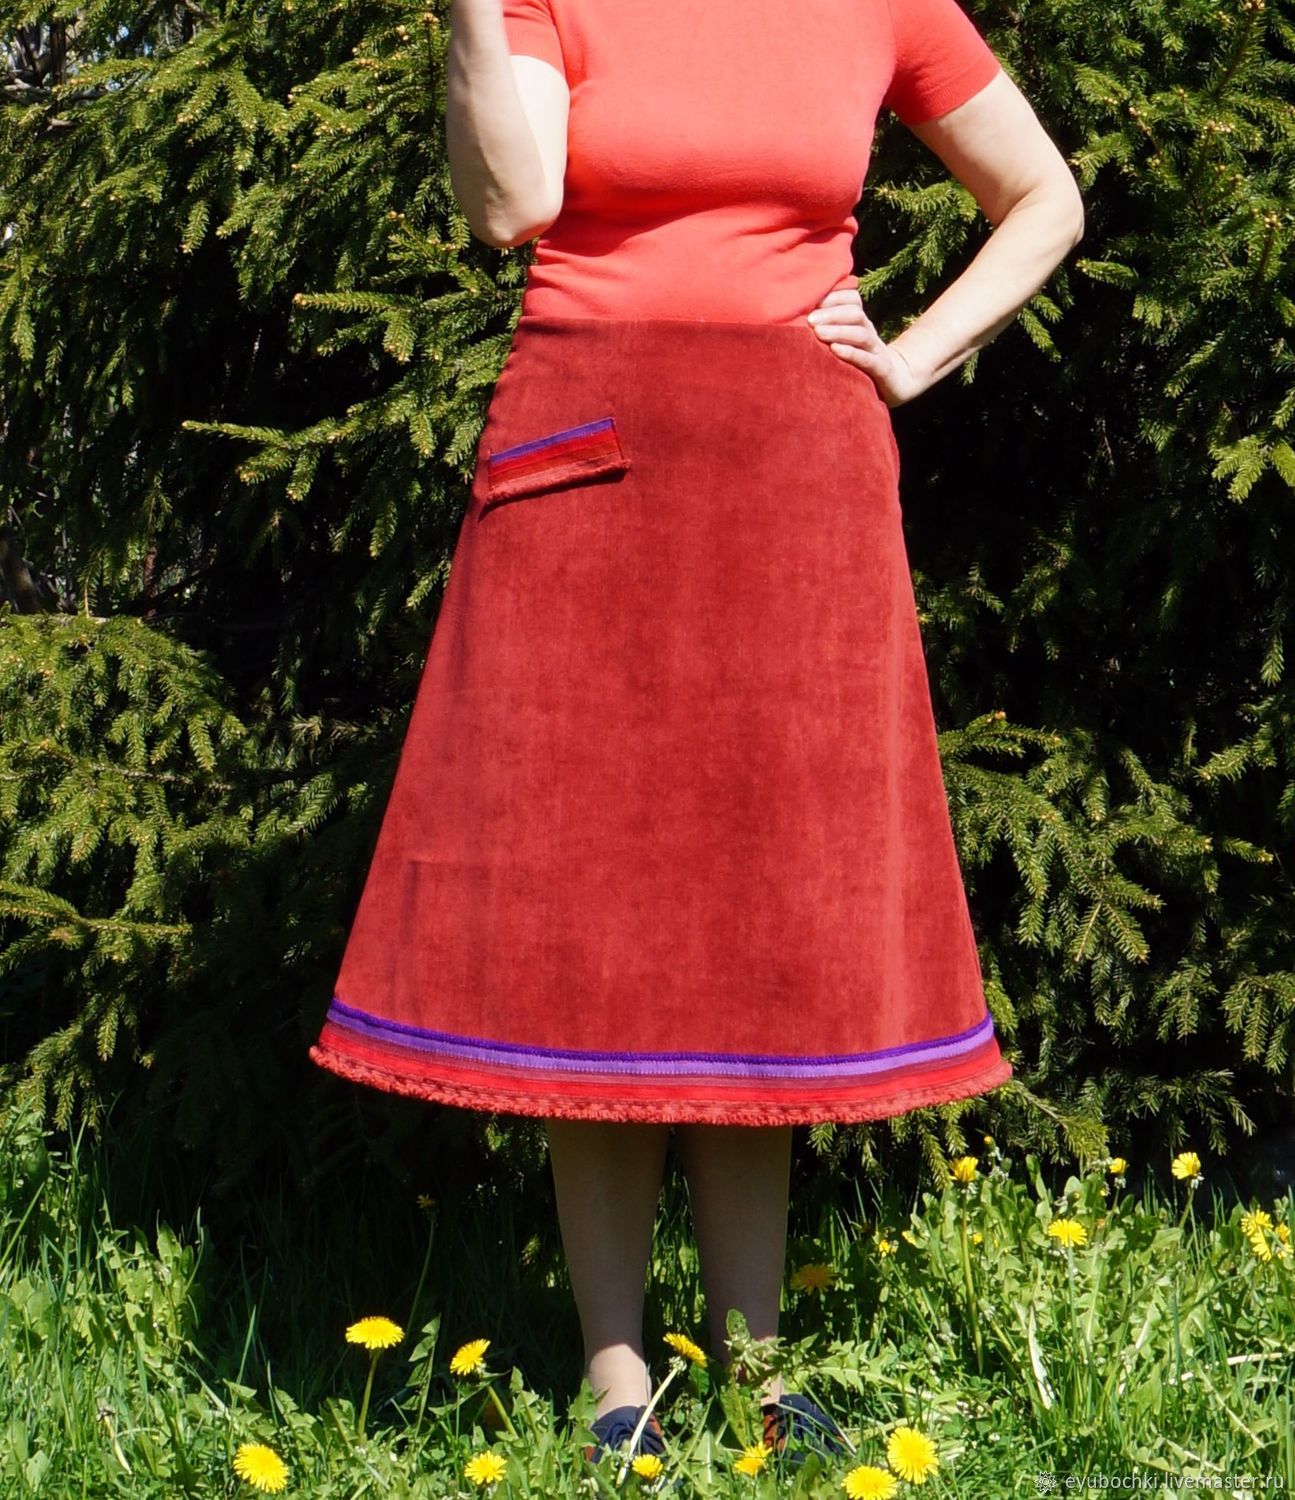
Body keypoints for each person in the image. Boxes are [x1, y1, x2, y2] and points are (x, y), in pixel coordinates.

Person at [311, 0, 1083, 1467]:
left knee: (762, 924)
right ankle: (618, 1386)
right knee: (596, 935)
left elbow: (1044, 194)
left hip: (797, 477)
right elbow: (511, 206)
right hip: (583, 466)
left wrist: (918, 354)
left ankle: (756, 1377)